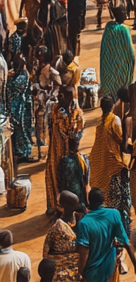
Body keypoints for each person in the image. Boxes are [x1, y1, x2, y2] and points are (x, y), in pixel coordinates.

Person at [76, 189, 136, 282]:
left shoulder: (83, 223)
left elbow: (84, 251)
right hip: (109, 269)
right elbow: (127, 243)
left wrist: (80, 272)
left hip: (92, 276)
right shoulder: (114, 214)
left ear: (89, 201)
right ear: (104, 200)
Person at [90, 97, 132, 234]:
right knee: (117, 191)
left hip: (100, 160)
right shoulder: (115, 120)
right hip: (112, 161)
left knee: (104, 188)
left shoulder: (100, 122)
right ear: (112, 106)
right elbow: (120, 139)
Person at [45, 87, 84, 217]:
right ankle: (56, 206)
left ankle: (70, 208)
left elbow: (78, 132)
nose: (71, 99)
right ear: (62, 96)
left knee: (70, 181)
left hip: (70, 154)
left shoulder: (77, 112)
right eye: (68, 96)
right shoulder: (55, 111)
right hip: (56, 151)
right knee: (55, 177)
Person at [43, 190, 81, 282]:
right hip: (73, 274)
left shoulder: (56, 228)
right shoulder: (81, 221)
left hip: (65, 275)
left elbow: (46, 253)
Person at [99, 7, 135, 100]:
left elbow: (105, 45)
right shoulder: (125, 29)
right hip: (122, 60)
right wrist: (131, 60)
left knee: (110, 77)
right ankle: (120, 97)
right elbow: (129, 48)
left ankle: (110, 95)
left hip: (109, 60)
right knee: (121, 78)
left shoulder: (109, 26)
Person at [7, 56, 33, 161]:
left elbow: (14, 86)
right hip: (15, 107)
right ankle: (19, 152)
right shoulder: (16, 74)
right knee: (17, 129)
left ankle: (25, 153)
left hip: (21, 107)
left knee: (23, 129)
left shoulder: (23, 75)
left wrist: (8, 78)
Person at [57, 134, 90, 211]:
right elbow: (87, 178)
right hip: (82, 192)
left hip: (70, 192)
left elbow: (61, 179)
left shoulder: (64, 161)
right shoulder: (85, 159)